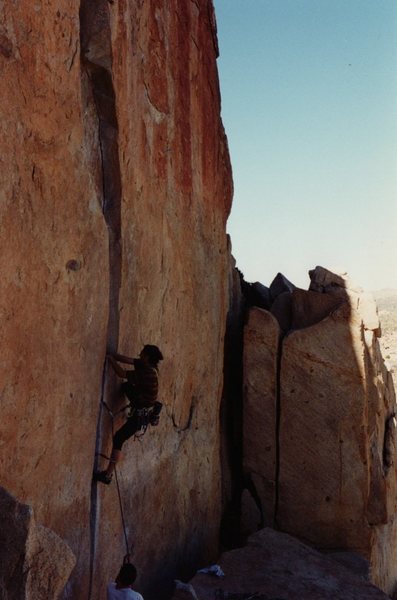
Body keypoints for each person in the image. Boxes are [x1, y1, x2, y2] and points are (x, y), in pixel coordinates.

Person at [94, 344, 163, 485]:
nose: (140, 355)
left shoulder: (147, 373)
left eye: (142, 353)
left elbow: (121, 373)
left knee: (119, 438)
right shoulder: (150, 368)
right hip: (143, 410)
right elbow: (128, 360)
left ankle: (107, 475)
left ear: (147, 357)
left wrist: (110, 360)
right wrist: (113, 354)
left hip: (140, 415)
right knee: (126, 386)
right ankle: (107, 474)